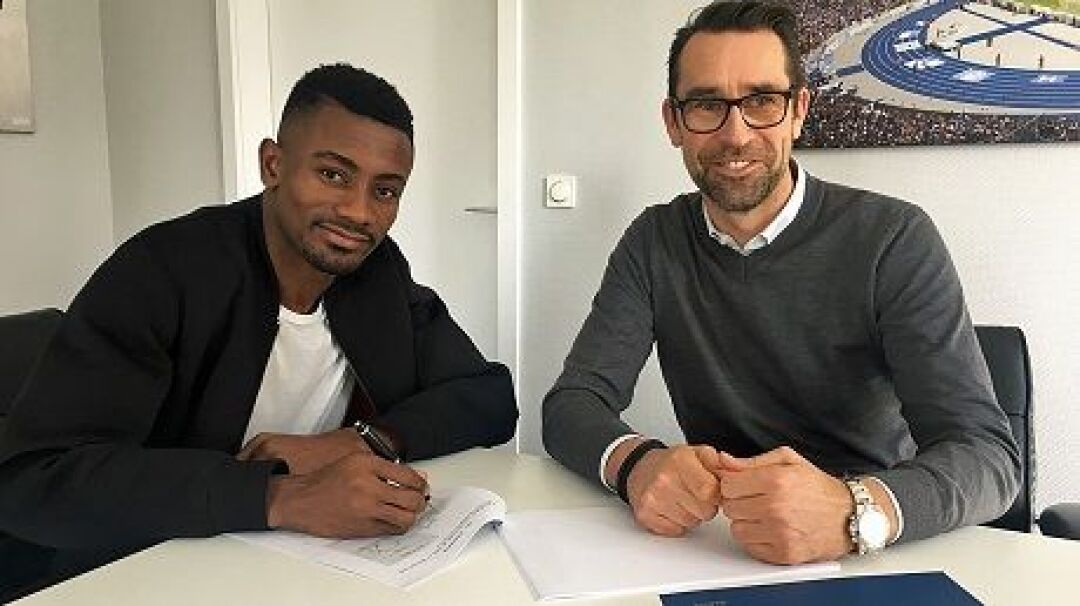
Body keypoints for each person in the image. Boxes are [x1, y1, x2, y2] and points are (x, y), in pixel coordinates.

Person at [542, 1, 1019, 565]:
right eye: (706, 105)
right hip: (719, 548)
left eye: (762, 101)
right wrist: (637, 464)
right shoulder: (654, 240)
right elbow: (572, 403)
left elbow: (988, 457)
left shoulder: (894, 237)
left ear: (798, 111)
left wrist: (852, 511)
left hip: (872, 548)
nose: (735, 134)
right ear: (673, 123)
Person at [0, 64, 517, 573]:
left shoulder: (377, 272)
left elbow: (488, 396)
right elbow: (36, 476)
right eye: (333, 175)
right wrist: (280, 495)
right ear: (273, 164)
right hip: (146, 567)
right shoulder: (161, 270)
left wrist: (361, 440)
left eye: (384, 191)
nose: (359, 213)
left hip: (288, 565)